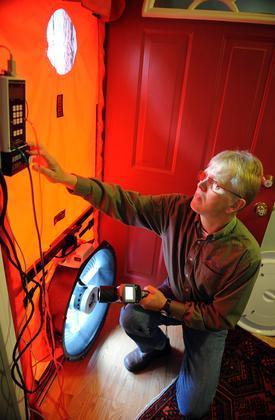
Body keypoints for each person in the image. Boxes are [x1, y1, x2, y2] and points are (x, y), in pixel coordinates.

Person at [29, 145, 263, 419]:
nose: (200, 184)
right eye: (205, 175)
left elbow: (220, 319)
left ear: (235, 205)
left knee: (192, 408)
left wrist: (166, 306)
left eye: (214, 184)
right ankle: (157, 348)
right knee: (130, 315)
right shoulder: (175, 209)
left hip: (207, 324)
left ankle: (199, 359)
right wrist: (70, 181)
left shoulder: (246, 255)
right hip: (173, 294)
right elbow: (128, 203)